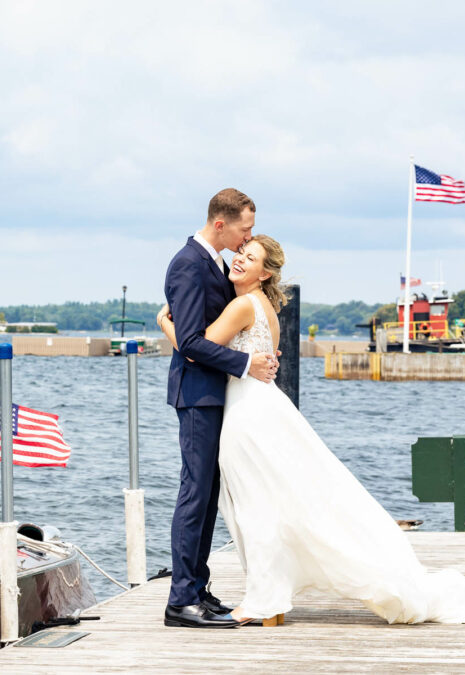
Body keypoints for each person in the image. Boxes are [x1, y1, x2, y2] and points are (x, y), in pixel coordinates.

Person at [158, 234, 465, 625]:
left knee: (256, 507)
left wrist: (167, 323)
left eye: (250, 258)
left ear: (265, 272)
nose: (240, 261)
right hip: (263, 406)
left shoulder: (241, 305)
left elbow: (192, 347)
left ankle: (264, 600)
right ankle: (268, 598)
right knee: (271, 501)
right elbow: (247, 354)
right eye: (241, 254)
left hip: (246, 413)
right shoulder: (265, 306)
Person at [160, 188, 279, 629]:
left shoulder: (215, 265)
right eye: (245, 228)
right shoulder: (189, 264)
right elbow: (191, 343)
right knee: (195, 494)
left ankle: (197, 588)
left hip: (215, 395)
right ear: (220, 224)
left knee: (207, 497)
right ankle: (180, 600)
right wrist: (247, 364)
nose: (248, 237)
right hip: (197, 395)